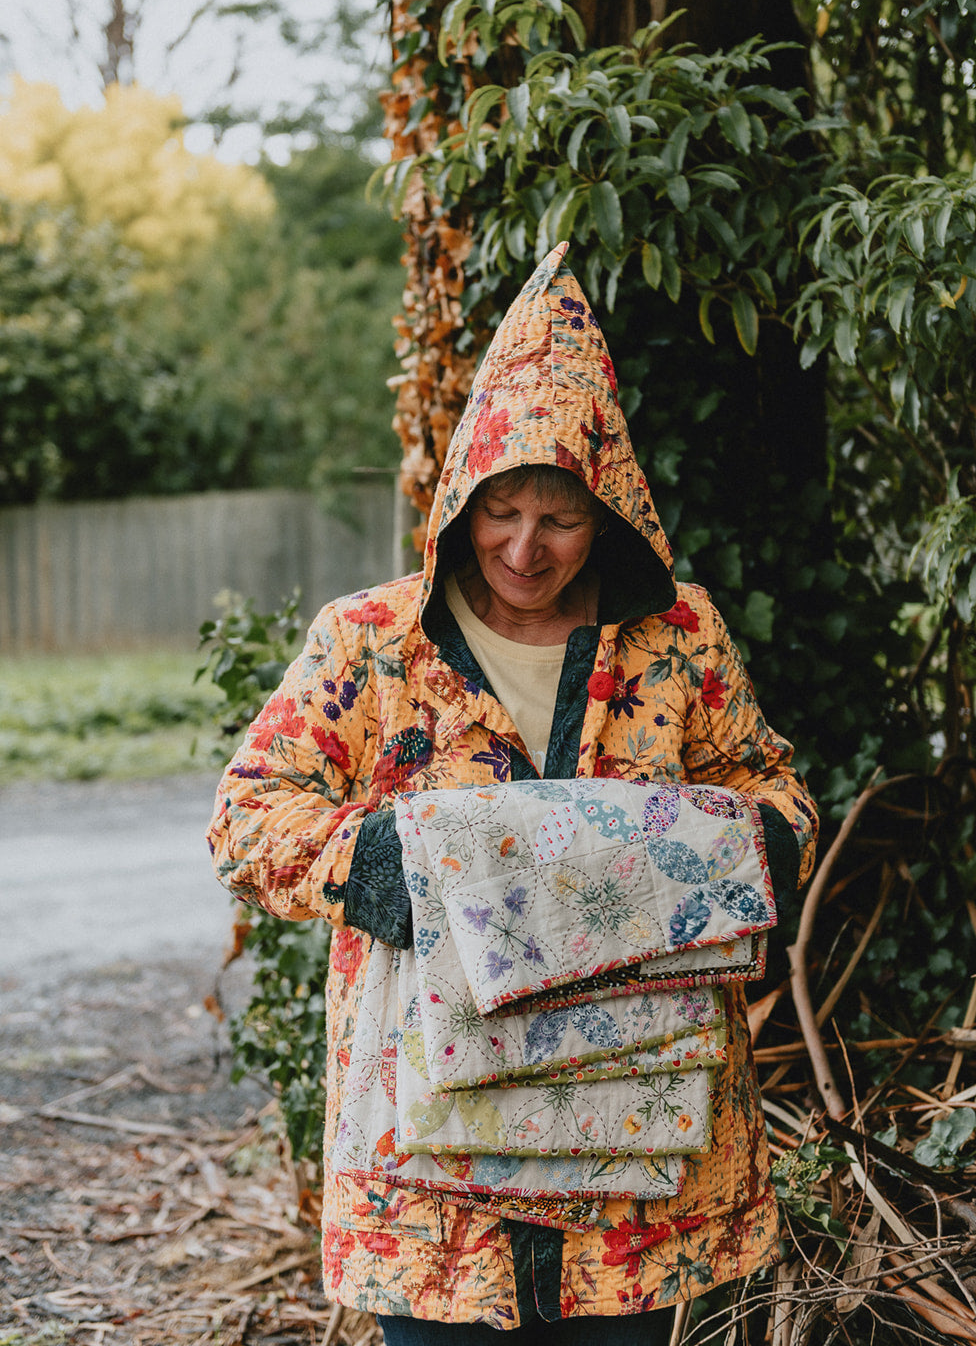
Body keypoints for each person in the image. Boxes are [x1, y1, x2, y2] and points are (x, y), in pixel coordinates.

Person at [208, 242, 817, 1340]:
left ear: (611, 512)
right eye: (499, 511)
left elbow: (763, 779)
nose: (523, 549)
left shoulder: (679, 638)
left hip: (640, 1180)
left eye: (560, 518)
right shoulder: (370, 642)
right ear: (460, 496)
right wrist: (401, 868)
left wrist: (758, 842)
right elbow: (250, 818)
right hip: (433, 1188)